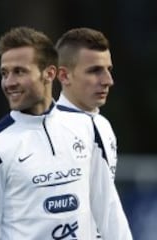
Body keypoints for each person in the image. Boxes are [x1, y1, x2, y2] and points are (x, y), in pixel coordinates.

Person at [0, 26, 132, 239]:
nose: (9, 82)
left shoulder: (86, 128)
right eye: (5, 73)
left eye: (20, 71)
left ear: (49, 73)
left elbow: (109, 211)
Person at [55, 27, 117, 180]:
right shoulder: (49, 132)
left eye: (108, 69)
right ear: (64, 76)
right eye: (95, 71)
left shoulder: (104, 125)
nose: (108, 81)